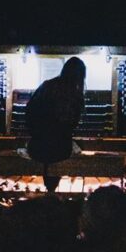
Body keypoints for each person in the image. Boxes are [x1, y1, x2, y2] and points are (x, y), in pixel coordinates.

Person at [25, 58, 86, 192]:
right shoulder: (75, 95)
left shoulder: (47, 86)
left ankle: (49, 190)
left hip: (37, 147)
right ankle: (52, 190)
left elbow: (29, 112)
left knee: (49, 153)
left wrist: (37, 134)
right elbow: (72, 125)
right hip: (61, 149)